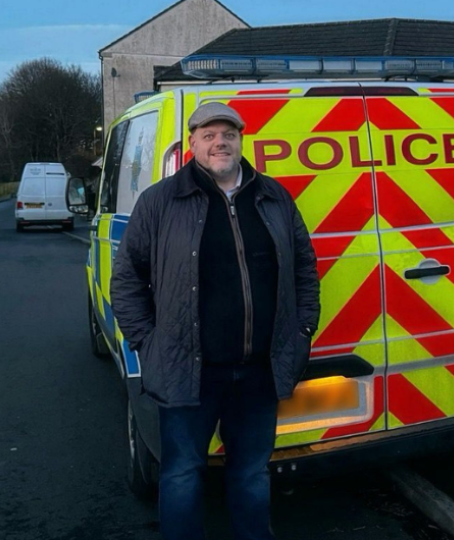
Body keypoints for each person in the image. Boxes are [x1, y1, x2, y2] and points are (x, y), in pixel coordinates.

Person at [110, 102, 321, 540]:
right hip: (189, 371)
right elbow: (126, 279)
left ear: (242, 140)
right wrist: (149, 344)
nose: (219, 142)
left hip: (260, 370)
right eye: (208, 135)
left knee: (251, 474)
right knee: (182, 474)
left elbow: (304, 268)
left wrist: (300, 334)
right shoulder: (161, 201)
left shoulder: (274, 196)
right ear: (193, 144)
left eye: (228, 134)